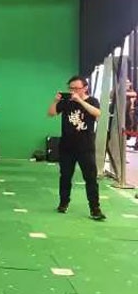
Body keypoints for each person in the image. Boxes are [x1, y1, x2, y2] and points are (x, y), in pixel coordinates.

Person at [47, 75, 106, 220]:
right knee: (65, 176)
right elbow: (51, 113)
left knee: (90, 178)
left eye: (76, 88)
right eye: (71, 88)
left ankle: (95, 208)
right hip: (67, 147)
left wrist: (80, 101)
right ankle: (63, 203)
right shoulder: (66, 102)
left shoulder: (92, 101)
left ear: (85, 88)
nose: (73, 91)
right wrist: (55, 101)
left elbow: (98, 114)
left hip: (85, 147)